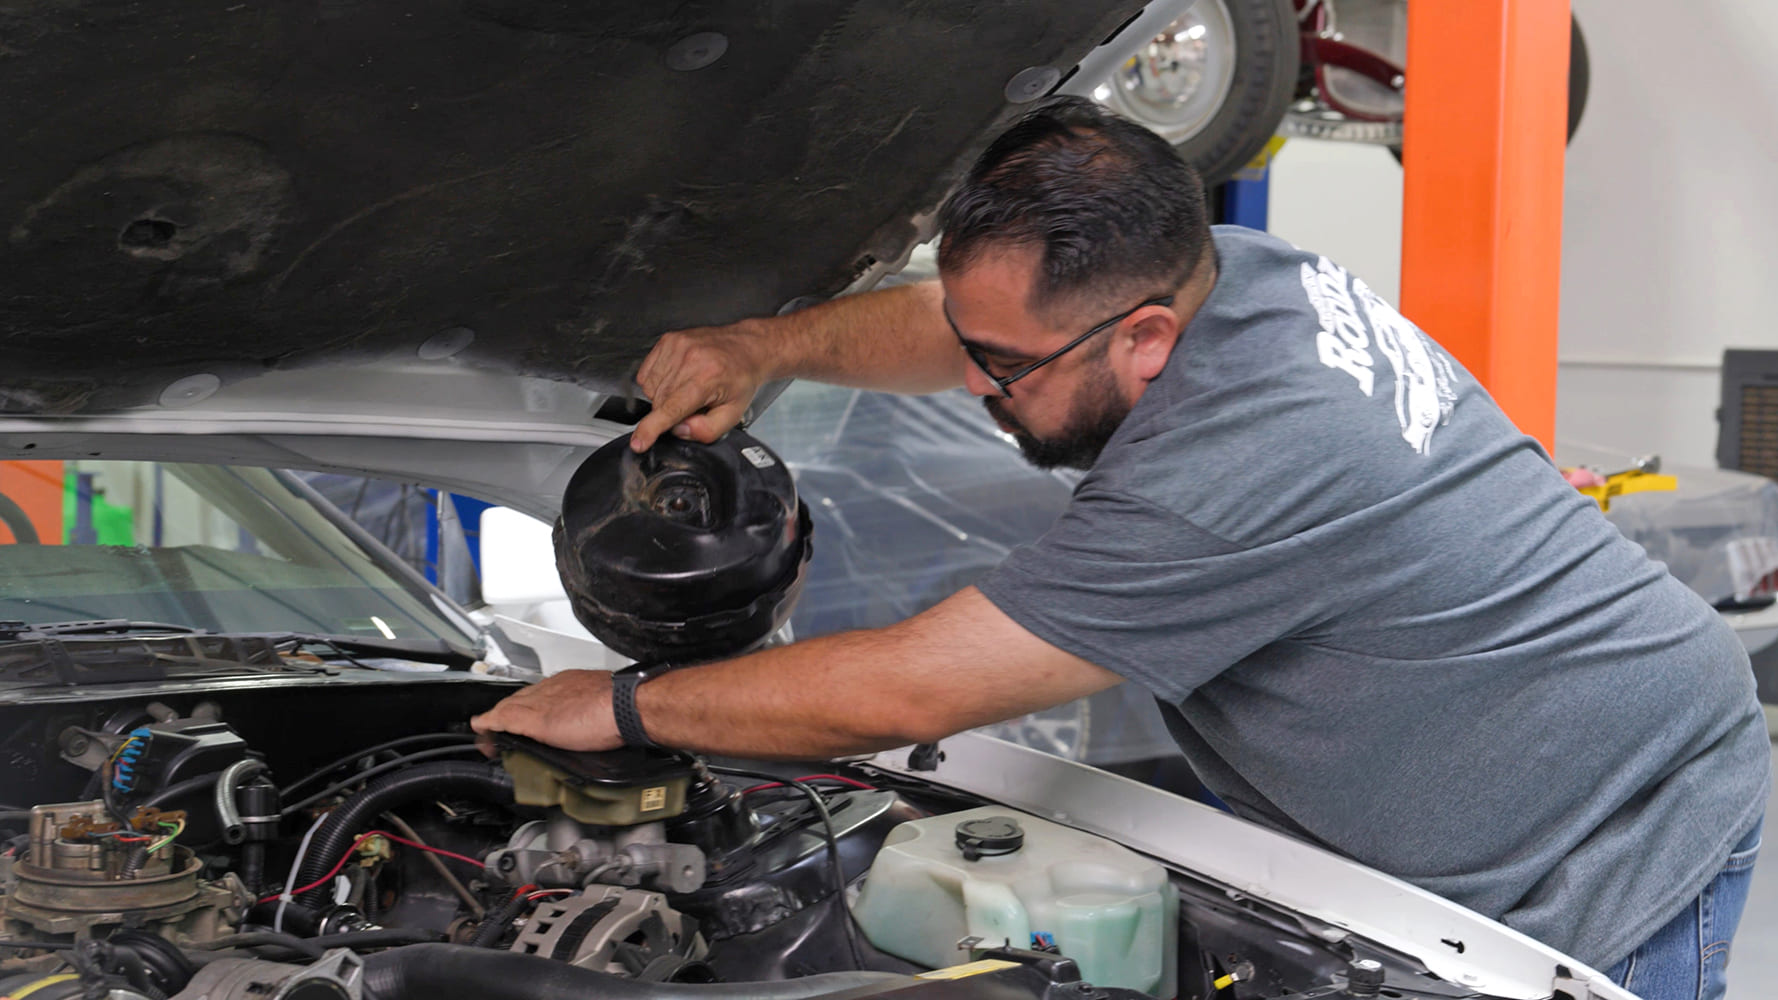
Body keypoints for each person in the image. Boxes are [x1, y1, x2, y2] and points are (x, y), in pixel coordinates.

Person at [471, 97, 1768, 999]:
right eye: (975, 351)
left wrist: (627, 706)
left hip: (1608, 822)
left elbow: (910, 690)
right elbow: (957, 320)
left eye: (1003, 370)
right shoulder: (1227, 270)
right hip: (1486, 769)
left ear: (1142, 339)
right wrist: (774, 346)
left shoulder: (1234, 467)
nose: (976, 388)